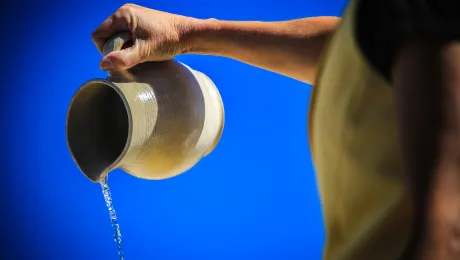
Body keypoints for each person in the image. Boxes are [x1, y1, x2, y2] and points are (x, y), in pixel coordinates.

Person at [91, 1, 460, 259]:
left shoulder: (427, 16)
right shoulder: (382, 23)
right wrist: (189, 32)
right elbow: (360, 45)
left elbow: (447, 232)